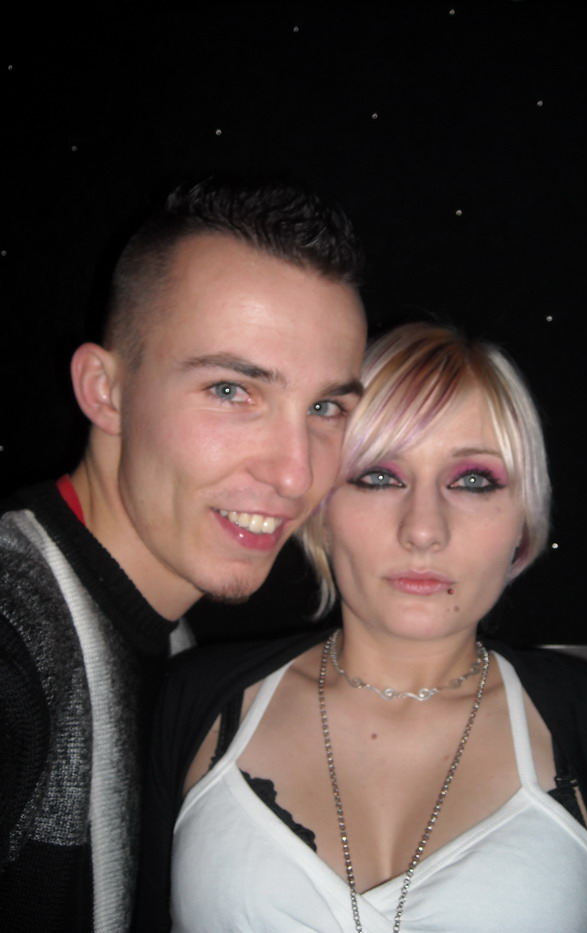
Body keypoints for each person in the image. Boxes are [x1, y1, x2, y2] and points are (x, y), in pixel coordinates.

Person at [134, 322, 587, 932]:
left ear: (523, 522)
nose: (423, 529)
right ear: (322, 513)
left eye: (473, 481)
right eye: (380, 477)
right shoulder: (192, 700)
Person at [0, 178, 367, 932]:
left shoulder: (174, 645)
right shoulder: (16, 631)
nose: (295, 473)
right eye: (232, 391)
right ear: (105, 390)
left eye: (325, 407)